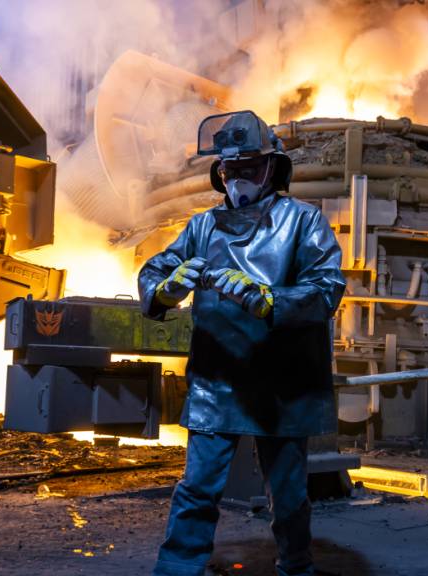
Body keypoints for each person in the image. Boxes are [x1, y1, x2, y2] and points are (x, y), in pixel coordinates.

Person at [138, 110, 346, 576]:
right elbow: (153, 271)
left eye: (249, 169)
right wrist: (166, 289)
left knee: (289, 495)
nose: (238, 180)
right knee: (197, 489)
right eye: (230, 172)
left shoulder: (303, 222)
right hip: (219, 378)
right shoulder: (202, 228)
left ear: (272, 168)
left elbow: (327, 289)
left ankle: (296, 567)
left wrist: (268, 299)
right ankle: (176, 569)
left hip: (283, 384)